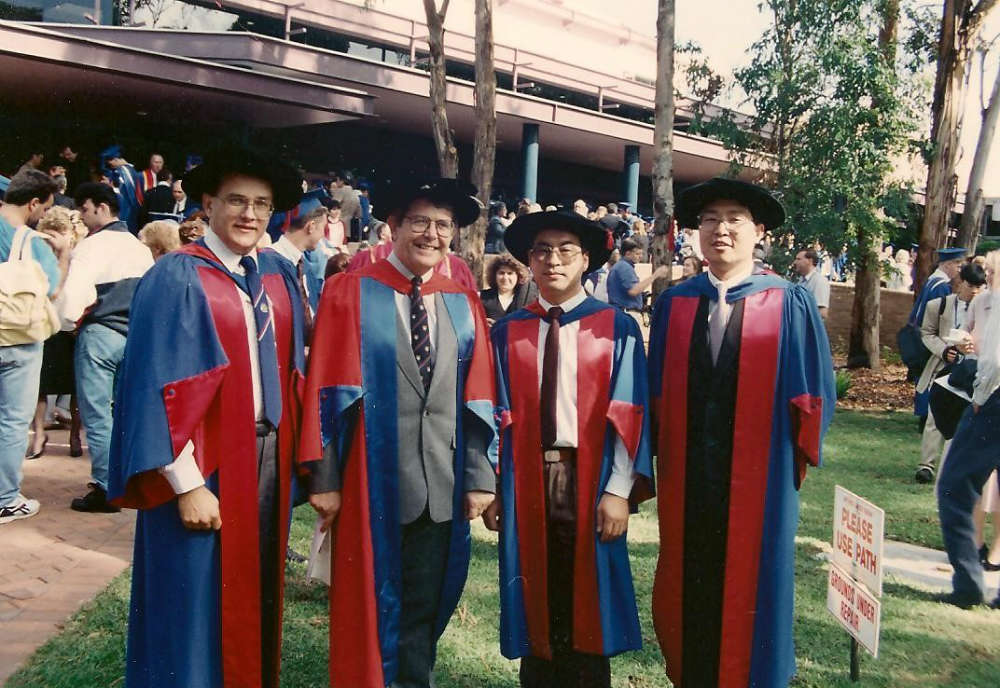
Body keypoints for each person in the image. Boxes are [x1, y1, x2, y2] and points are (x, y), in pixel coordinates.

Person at [108, 146, 309, 687]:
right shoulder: (178, 275)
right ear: (207, 204)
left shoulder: (276, 274)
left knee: (256, 597)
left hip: (267, 462)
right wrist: (187, 482)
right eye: (236, 201)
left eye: (261, 205)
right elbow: (156, 384)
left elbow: (296, 372)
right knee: (192, 605)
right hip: (206, 466)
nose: (249, 214)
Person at [300, 178, 496, 688]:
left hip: (442, 483)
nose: (432, 234)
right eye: (420, 222)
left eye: (443, 225)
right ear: (393, 227)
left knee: (425, 611)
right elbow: (323, 387)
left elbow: (479, 395)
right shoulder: (348, 292)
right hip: (371, 478)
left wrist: (479, 475)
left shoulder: (462, 300)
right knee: (367, 605)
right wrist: (323, 477)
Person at [648, 177, 835, 687]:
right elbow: (656, 397)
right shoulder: (675, 303)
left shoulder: (789, 302)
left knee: (755, 590)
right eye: (709, 219)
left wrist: (786, 464)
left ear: (758, 232)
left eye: (734, 219)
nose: (720, 230)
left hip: (761, 485)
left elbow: (813, 395)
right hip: (689, 480)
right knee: (689, 587)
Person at [485, 209, 654, 688]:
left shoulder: (615, 328)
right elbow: (497, 415)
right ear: (527, 263)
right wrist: (496, 487)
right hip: (526, 478)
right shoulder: (509, 331)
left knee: (587, 603)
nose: (552, 260)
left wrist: (619, 490)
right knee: (536, 597)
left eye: (565, 251)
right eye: (541, 250)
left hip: (591, 477)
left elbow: (630, 413)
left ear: (585, 260)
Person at [59, 182, 154, 513]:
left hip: (100, 333)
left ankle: (105, 486)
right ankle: (127, 480)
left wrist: (67, 325)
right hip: (134, 336)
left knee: (97, 415)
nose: (82, 217)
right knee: (124, 413)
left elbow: (73, 300)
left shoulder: (90, 247)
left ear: (100, 207)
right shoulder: (139, 247)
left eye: (84, 210)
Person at [0, 170, 66, 524]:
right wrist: (64, 255)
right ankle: (4, 498)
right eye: (44, 208)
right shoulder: (33, 241)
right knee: (12, 421)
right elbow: (54, 291)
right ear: (33, 203)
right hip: (18, 340)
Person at [936, 255, 1000, 608]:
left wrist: (979, 396)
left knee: (954, 489)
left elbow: (994, 360)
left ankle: (968, 585)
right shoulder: (986, 300)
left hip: (993, 400)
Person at [914, 262, 985, 483]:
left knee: (967, 420)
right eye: (971, 285)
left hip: (975, 369)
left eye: (979, 286)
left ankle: (956, 466)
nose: (974, 290)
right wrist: (944, 351)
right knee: (935, 416)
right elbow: (926, 333)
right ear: (961, 282)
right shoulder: (940, 305)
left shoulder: (988, 311)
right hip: (944, 367)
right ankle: (927, 464)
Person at [28, 207, 85, 460]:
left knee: (75, 387)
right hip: (45, 327)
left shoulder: (80, 258)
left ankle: (74, 433)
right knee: (39, 386)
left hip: (71, 329)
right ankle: (39, 433)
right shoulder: (38, 259)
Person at [606, 238, 669, 322]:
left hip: (622, 312)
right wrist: (655, 275)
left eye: (641, 253)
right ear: (628, 254)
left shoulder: (622, 266)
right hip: (626, 313)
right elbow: (633, 290)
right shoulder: (624, 267)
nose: (641, 256)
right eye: (637, 254)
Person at [479, 252, 537, 324]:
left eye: (510, 273)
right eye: (501, 273)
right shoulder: (482, 297)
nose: (505, 278)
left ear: (518, 276)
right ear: (494, 275)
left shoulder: (528, 298)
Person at [792, 248, 831, 320]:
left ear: (809, 261)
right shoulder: (801, 280)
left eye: (798, 259)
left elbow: (822, 313)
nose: (795, 262)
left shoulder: (819, 281)